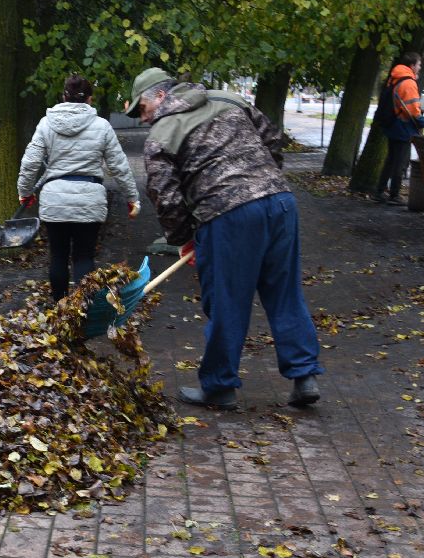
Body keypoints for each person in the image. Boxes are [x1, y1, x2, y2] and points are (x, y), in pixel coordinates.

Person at [130, 66, 322, 410]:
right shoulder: (229, 99)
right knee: (284, 291)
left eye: (142, 110)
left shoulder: (163, 131)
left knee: (227, 300)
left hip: (228, 214)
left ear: (160, 96)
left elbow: (164, 193)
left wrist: (183, 237)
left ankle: (219, 386)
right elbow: (273, 140)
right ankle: (304, 375)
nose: (143, 120)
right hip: (280, 204)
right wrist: (262, 182)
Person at [16, 73, 140, 301]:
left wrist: (24, 192)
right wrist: (133, 198)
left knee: (58, 256)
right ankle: (83, 310)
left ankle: (61, 309)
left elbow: (30, 162)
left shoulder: (46, 124)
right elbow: (119, 166)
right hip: (89, 200)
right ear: (90, 99)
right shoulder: (101, 126)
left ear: (64, 96)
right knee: (84, 258)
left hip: (55, 201)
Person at [373, 52, 424, 205]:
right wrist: (422, 122)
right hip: (403, 127)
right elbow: (413, 110)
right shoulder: (408, 83)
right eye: (419, 64)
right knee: (400, 162)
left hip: (392, 124)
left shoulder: (394, 77)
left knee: (390, 160)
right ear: (412, 66)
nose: (420, 67)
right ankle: (394, 195)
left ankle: (379, 191)